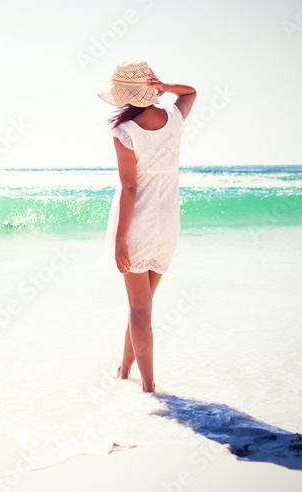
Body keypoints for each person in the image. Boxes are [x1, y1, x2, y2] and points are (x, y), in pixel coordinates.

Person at [96, 60, 196, 393]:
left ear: (124, 94)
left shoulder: (124, 132)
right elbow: (191, 92)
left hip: (137, 223)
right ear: (149, 88)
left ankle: (149, 388)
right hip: (168, 223)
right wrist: (165, 87)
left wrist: (121, 240)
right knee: (142, 306)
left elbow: (129, 188)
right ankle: (124, 370)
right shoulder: (174, 119)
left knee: (139, 308)